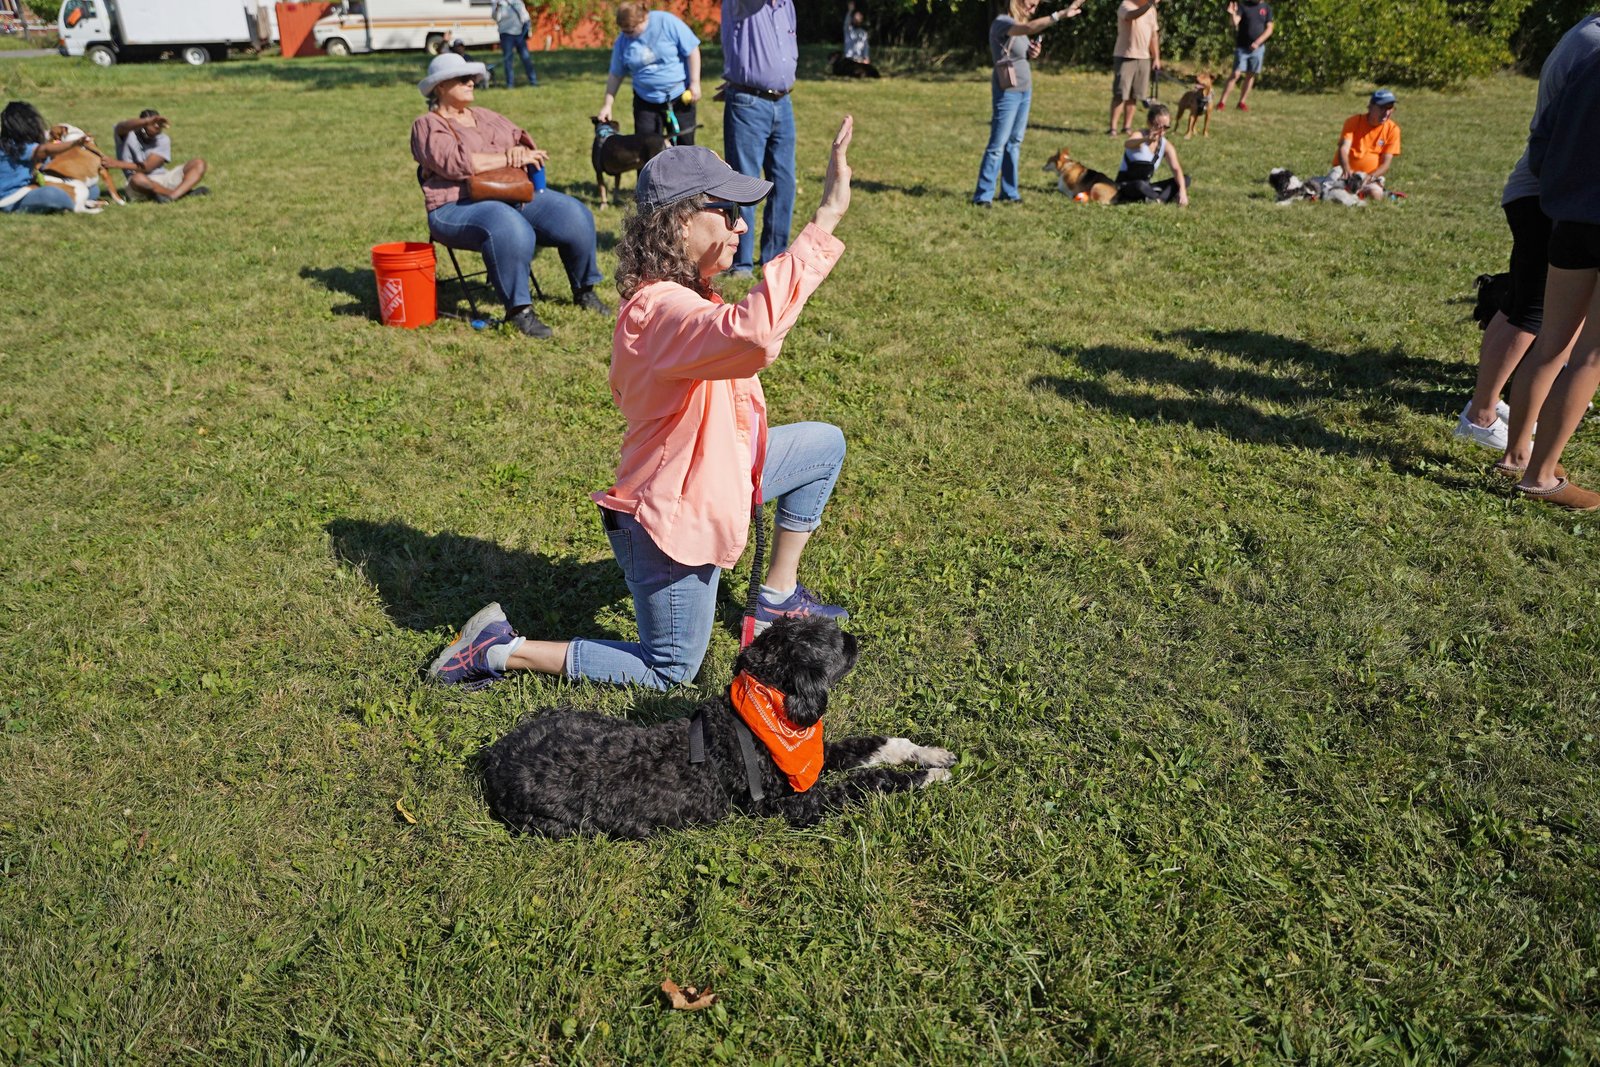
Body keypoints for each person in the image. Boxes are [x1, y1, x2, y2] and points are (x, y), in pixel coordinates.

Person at [429, 121, 858, 691]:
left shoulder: (686, 297)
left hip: (720, 472)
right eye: (727, 211)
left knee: (823, 444)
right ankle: (498, 650)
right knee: (671, 670)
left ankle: (776, 596)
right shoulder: (658, 312)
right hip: (670, 519)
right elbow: (754, 334)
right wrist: (824, 219)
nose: (741, 225)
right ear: (681, 220)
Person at [1455, 14, 1600, 456]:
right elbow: (1549, 135)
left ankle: (1505, 422)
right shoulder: (1592, 42)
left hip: (1560, 198)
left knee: (1539, 321)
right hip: (1555, 198)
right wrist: (1561, 197)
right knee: (1533, 316)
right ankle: (1482, 417)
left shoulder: (1588, 34)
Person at [411, 51, 609, 339]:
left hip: (509, 194)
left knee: (574, 214)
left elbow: (525, 144)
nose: (471, 83)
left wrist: (521, 152)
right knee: (508, 225)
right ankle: (520, 311)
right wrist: (507, 156)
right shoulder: (428, 125)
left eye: (473, 78)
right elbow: (456, 164)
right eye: (462, 78)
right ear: (440, 86)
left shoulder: (486, 117)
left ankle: (584, 290)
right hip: (454, 206)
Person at [1501, 34, 1600, 509]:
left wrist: (1564, 192)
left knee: (1552, 342)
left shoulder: (1591, 59)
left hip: (1571, 220)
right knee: (1590, 357)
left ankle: (1517, 456)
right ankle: (1539, 477)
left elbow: (1542, 138)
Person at [972, 0, 1084, 207]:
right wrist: (1059, 15)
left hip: (1024, 91)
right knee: (997, 145)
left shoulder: (1019, 26)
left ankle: (1010, 192)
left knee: (1014, 144)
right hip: (1007, 93)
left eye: (1035, 6)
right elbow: (1029, 27)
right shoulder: (1002, 22)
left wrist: (1032, 53)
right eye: (1030, 4)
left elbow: (1018, 51)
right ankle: (983, 195)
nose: (1033, 9)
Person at [719, 0, 798, 278]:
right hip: (749, 100)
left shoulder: (785, 4)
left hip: (782, 101)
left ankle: (774, 259)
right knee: (745, 183)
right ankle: (739, 263)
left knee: (785, 183)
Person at [598, 1, 701, 146]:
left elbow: (692, 49)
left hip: (679, 97)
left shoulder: (666, 22)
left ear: (644, 18)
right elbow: (616, 74)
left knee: (685, 148)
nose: (626, 35)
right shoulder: (622, 42)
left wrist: (695, 83)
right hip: (645, 101)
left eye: (630, 30)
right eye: (623, 30)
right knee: (645, 150)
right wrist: (608, 104)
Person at [0, 101, 79, 214]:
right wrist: (73, 144)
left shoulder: (22, 145)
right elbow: (44, 150)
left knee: (92, 190)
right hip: (11, 198)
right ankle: (74, 203)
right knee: (52, 194)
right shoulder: (15, 146)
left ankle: (74, 199)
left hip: (28, 190)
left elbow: (45, 161)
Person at [114, 110, 209, 202]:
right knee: (137, 178)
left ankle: (172, 196)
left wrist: (117, 164)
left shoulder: (163, 139)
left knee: (199, 163)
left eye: (159, 125)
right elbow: (121, 126)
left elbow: (147, 167)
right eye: (153, 124)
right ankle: (182, 194)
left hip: (163, 178)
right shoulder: (127, 135)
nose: (156, 128)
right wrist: (146, 121)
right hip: (138, 185)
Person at [1332, 89, 1401, 198]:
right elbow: (1344, 149)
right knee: (1332, 193)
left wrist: (1370, 177)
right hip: (1344, 171)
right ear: (1371, 107)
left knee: (1376, 194)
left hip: (1370, 176)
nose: (1387, 112)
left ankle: (1361, 191)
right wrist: (1346, 169)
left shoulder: (1393, 129)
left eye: (1390, 108)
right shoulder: (1354, 121)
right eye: (1382, 108)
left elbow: (1386, 163)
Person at [1115, 102, 1187, 205]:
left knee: (1184, 180)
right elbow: (1128, 143)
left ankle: (1156, 198)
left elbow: (1176, 169)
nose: (1161, 131)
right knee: (1139, 185)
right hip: (1126, 184)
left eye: (1166, 127)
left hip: (1146, 186)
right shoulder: (1140, 135)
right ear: (1149, 123)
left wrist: (1183, 191)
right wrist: (1145, 139)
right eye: (1157, 126)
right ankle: (1158, 198)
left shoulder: (1165, 145)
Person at [1109, 0, 1160, 138]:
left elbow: (1153, 36)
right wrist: (1149, 4)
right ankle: (1113, 128)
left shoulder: (1152, 10)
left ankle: (1127, 127)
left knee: (1135, 95)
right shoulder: (1126, 5)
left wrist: (1156, 58)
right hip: (1125, 56)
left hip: (1144, 58)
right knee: (1120, 94)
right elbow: (1132, 15)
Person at [1213, 0, 1272, 112]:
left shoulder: (1266, 8)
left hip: (1258, 49)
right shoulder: (1243, 6)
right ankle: (1222, 102)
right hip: (1242, 47)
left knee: (1250, 75)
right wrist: (1232, 13)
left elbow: (1269, 29)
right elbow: (1234, 23)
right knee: (1235, 74)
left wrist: (1258, 42)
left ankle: (1242, 102)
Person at [491, 0, 538, 89]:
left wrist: (528, 30)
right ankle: (510, 84)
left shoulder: (518, 1)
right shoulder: (497, 2)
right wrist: (497, 8)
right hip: (506, 34)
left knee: (526, 58)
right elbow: (495, 18)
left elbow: (525, 17)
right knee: (508, 61)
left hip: (519, 34)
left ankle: (533, 81)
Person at [835, 0, 878, 77]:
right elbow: (846, 22)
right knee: (850, 69)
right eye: (855, 18)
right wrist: (850, 11)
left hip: (859, 60)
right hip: (849, 60)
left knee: (873, 71)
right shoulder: (848, 30)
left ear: (861, 20)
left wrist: (866, 58)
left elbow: (866, 48)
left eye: (859, 19)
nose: (856, 20)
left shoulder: (863, 33)